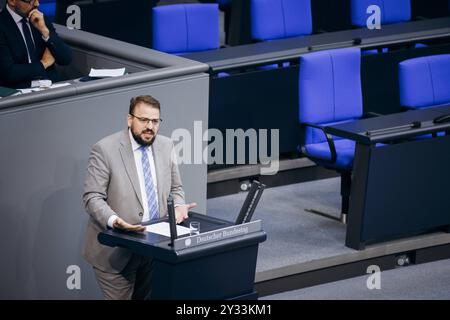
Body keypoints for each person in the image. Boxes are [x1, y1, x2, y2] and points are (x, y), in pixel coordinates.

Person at [82, 95, 196, 300]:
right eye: (144, 120)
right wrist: (115, 221)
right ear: (129, 119)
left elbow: (176, 188)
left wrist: (179, 206)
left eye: (155, 121)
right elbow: (92, 197)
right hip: (116, 253)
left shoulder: (166, 145)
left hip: (154, 250)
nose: (149, 127)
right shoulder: (105, 149)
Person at [0, 0, 72, 88]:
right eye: (31, 1)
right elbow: (8, 72)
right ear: (12, 1)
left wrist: (45, 32)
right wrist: (43, 64)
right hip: (20, 92)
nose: (37, 4)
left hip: (51, 86)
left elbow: (66, 59)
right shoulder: (2, 25)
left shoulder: (40, 18)